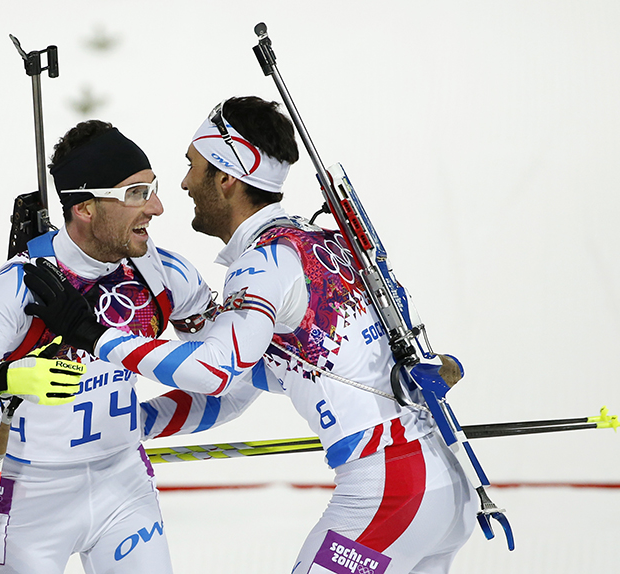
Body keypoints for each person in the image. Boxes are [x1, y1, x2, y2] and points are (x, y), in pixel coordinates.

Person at [24, 97, 478, 574]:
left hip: (388, 491)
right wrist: (125, 425)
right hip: (444, 488)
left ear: (226, 178)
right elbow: (236, 390)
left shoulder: (264, 265)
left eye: (192, 167)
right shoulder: (319, 244)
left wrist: (93, 334)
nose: (181, 184)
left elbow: (215, 372)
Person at [0, 120, 258, 574]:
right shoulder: (20, 287)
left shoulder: (163, 275)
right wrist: (6, 379)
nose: (157, 207)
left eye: (152, 189)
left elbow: (230, 381)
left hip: (125, 491)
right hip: (32, 498)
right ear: (84, 207)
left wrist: (138, 423)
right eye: (136, 194)